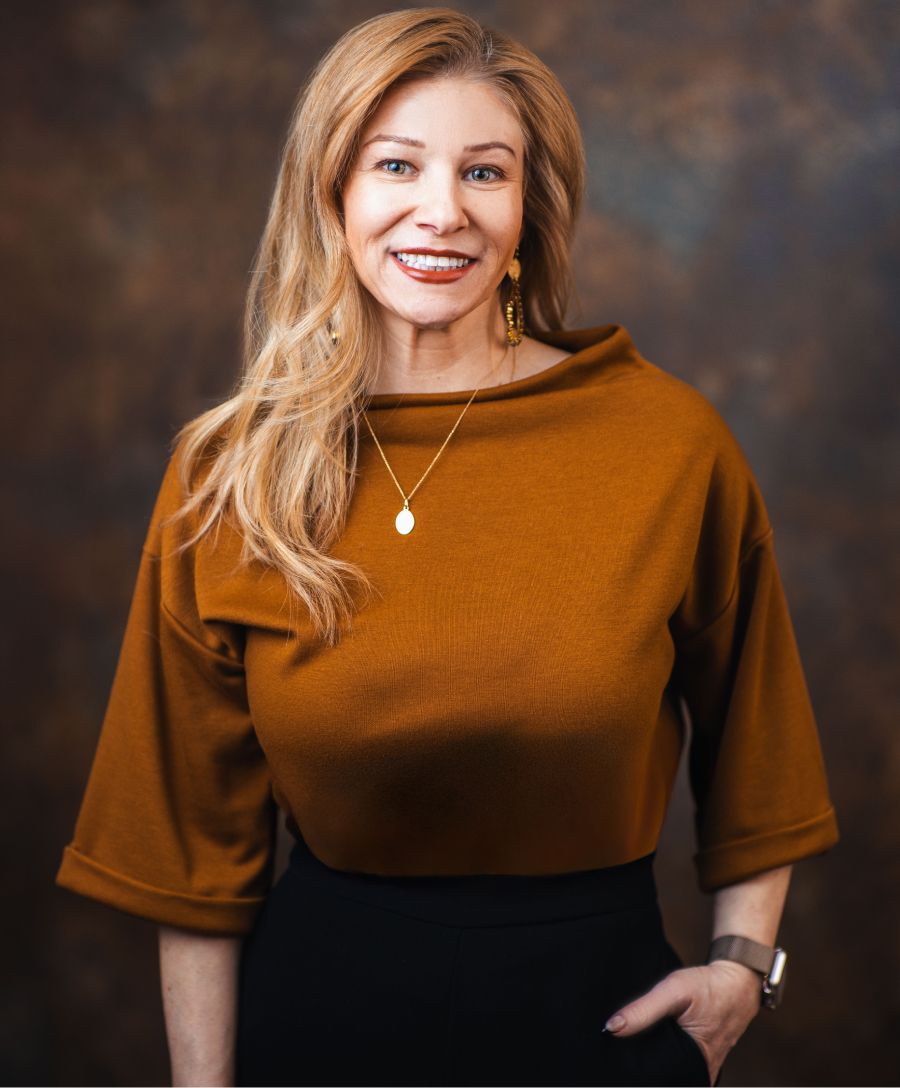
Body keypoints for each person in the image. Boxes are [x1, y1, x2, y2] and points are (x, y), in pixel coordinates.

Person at [56, 8, 839, 1086]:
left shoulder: (666, 443)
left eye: (484, 172)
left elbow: (764, 742)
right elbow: (190, 852)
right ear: (331, 193)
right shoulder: (229, 473)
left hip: (600, 1024)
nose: (441, 211)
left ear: (529, 205)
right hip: (319, 1026)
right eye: (396, 164)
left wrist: (746, 968)